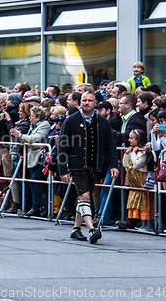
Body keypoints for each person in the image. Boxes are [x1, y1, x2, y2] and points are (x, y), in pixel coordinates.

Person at [57, 91, 119, 244]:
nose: (86, 103)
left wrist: (114, 165)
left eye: (89, 100)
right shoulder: (71, 120)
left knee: (84, 197)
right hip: (76, 165)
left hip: (95, 165)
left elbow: (110, 145)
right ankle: (92, 229)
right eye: (84, 100)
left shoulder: (103, 122)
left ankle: (76, 229)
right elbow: (62, 146)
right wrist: (63, 169)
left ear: (95, 102)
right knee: (85, 197)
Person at [122, 129, 154, 232]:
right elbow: (125, 164)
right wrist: (127, 154)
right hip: (133, 180)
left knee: (145, 201)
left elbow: (137, 164)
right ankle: (142, 223)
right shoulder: (133, 150)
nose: (129, 140)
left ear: (138, 139)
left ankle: (148, 224)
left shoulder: (144, 151)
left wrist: (133, 153)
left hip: (142, 178)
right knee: (137, 202)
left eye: (131, 138)